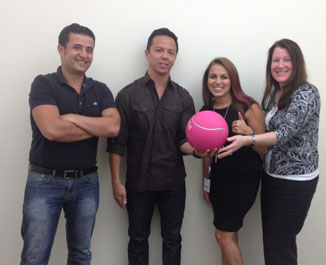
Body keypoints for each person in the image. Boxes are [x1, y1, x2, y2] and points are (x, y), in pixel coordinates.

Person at [20, 23, 120, 265]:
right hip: (45, 182)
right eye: (77, 47)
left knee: (81, 254)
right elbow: (52, 130)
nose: (84, 55)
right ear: (61, 49)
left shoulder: (101, 89)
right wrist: (96, 124)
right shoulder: (43, 84)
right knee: (34, 256)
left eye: (89, 49)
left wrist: (72, 119)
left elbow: (113, 127)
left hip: (86, 182)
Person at [218, 39, 320, 265]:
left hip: (294, 182)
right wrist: (249, 131)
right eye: (275, 60)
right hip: (272, 177)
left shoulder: (307, 93)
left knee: (280, 248)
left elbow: (283, 133)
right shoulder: (274, 93)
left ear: (297, 64)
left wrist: (248, 138)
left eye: (287, 60)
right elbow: (267, 131)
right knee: (274, 245)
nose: (280, 65)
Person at [107, 28, 198, 265]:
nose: (165, 56)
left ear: (175, 57)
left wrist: (198, 150)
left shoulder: (184, 97)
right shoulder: (127, 95)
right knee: (137, 239)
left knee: (172, 239)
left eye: (171, 52)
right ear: (147, 53)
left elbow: (184, 141)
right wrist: (116, 181)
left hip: (173, 184)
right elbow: (117, 143)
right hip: (138, 184)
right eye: (159, 50)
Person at [200, 57, 267, 265]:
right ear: (207, 80)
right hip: (219, 182)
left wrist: (248, 134)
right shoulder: (205, 111)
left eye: (224, 77)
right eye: (213, 76)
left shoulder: (248, 106)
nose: (217, 81)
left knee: (223, 236)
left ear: (232, 80)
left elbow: (264, 149)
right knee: (228, 237)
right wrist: (206, 183)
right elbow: (206, 154)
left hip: (243, 182)